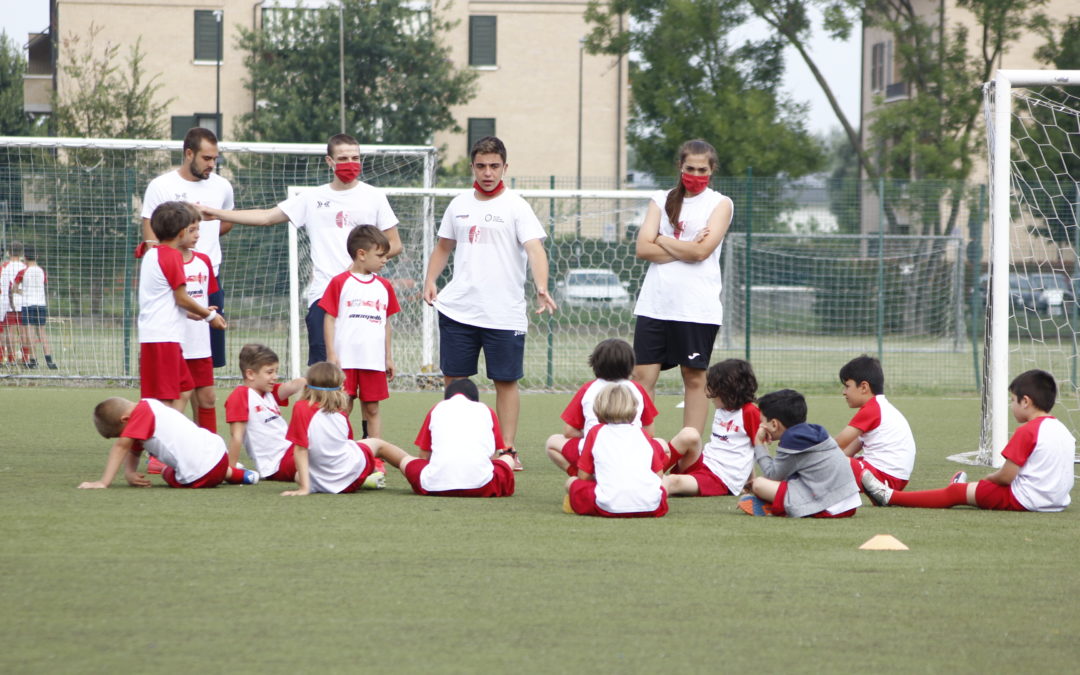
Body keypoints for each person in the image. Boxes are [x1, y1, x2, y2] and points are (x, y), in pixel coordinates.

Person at [197, 133, 402, 366]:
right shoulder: (312, 198)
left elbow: (394, 244)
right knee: (325, 370)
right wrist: (216, 213)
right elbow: (266, 217)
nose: (350, 164)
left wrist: (360, 266)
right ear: (330, 161)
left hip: (362, 297)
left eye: (355, 158)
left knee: (364, 370)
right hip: (324, 295)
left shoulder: (373, 197)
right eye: (343, 158)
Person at [422, 136, 557, 469]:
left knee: (506, 381)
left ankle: (507, 450)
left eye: (494, 166)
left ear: (505, 168)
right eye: (481, 166)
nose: (487, 172)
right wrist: (430, 280)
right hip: (458, 310)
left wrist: (541, 286)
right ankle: (449, 443)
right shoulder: (458, 204)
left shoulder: (517, 206)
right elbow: (443, 246)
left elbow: (535, 249)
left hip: (503, 314)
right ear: (472, 167)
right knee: (455, 379)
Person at [862, 369, 1075, 512]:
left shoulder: (1028, 431)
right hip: (1056, 502)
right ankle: (964, 486)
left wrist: (990, 478)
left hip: (1024, 499)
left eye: (1012, 401)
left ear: (1026, 401)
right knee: (969, 490)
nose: (1011, 406)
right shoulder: (1063, 430)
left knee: (954, 494)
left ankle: (889, 496)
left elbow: (1007, 476)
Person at [632, 139, 733, 436]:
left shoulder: (720, 204)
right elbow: (642, 248)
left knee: (694, 379)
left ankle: (690, 452)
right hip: (655, 305)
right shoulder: (659, 200)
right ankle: (641, 449)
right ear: (680, 167)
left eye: (703, 169)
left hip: (697, 309)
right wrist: (686, 245)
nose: (696, 174)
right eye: (690, 168)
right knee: (642, 377)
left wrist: (661, 238)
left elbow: (701, 254)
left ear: (712, 170)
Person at [141, 127, 234, 368]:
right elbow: (150, 230)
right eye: (206, 158)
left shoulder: (222, 186)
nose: (212, 164)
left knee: (208, 361)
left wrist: (201, 246)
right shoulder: (161, 185)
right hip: (172, 282)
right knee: (175, 356)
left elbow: (227, 221)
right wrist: (167, 261)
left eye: (215, 158)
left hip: (209, 277)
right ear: (189, 154)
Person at [139, 202, 227, 410]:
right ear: (181, 232)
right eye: (192, 229)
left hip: (157, 335)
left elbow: (165, 300)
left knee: (184, 388)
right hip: (163, 338)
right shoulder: (171, 257)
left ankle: (170, 436)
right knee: (168, 398)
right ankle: (137, 441)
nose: (196, 234)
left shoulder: (154, 254)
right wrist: (209, 316)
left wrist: (192, 315)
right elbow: (181, 298)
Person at [318, 225, 399, 440]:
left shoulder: (384, 286)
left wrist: (388, 357)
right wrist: (332, 354)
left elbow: (386, 323)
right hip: (346, 359)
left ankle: (372, 456)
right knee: (343, 406)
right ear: (361, 254)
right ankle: (338, 449)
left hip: (373, 360)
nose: (385, 260)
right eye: (380, 255)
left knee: (372, 408)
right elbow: (329, 318)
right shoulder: (340, 282)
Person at [77, 396, 258, 489]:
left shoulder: (139, 417)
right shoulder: (151, 404)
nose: (125, 439)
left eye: (121, 434)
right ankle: (240, 475)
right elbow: (134, 449)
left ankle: (230, 474)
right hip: (219, 455)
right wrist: (129, 472)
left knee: (165, 471)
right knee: (206, 464)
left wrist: (103, 482)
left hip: (200, 475)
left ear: (125, 420)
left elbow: (122, 447)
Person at [378, 379, 517, 497]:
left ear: (447, 398)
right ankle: (510, 456)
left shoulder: (437, 408)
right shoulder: (486, 410)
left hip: (433, 486)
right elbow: (491, 456)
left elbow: (423, 456)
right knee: (507, 457)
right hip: (483, 486)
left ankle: (377, 453)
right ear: (475, 399)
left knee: (407, 460)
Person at [282, 361, 398, 496]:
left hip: (322, 483)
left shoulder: (301, 407)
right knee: (378, 444)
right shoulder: (341, 415)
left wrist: (304, 488)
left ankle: (365, 477)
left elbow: (300, 450)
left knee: (298, 475)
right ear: (340, 389)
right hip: (352, 478)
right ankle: (409, 465)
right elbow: (346, 445)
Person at [739, 389, 860, 518]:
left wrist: (758, 442)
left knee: (759, 484)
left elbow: (772, 475)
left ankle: (777, 506)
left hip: (830, 506)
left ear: (774, 424)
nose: (761, 426)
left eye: (762, 421)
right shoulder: (811, 431)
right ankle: (776, 503)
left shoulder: (792, 439)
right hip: (849, 502)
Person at [545, 338, 658, 476]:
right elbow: (650, 432)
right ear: (630, 365)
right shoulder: (637, 389)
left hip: (594, 454)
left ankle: (584, 476)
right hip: (632, 453)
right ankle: (643, 476)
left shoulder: (588, 389)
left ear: (595, 363)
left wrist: (588, 432)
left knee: (552, 443)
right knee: (662, 446)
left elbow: (568, 432)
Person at [564, 383, 669, 518]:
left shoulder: (596, 432)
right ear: (634, 408)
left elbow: (583, 476)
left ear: (598, 407)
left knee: (571, 482)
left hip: (608, 506)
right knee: (666, 481)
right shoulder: (641, 432)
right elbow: (658, 475)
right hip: (653, 506)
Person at [664, 358, 760, 497]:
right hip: (705, 463)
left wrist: (752, 479)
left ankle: (645, 487)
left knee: (673, 481)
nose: (711, 396)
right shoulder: (722, 409)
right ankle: (650, 473)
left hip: (721, 479)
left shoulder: (750, 412)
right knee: (689, 434)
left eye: (715, 390)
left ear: (728, 390)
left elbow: (757, 446)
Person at [224, 343, 307, 482]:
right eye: (269, 372)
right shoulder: (241, 395)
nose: (275, 376)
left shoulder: (269, 392)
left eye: (276, 371)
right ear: (250, 374)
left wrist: (320, 379)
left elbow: (293, 386)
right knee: (325, 455)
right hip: (278, 463)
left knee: (332, 447)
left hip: (292, 450)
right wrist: (230, 470)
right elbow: (236, 436)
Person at [834, 355, 916, 491]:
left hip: (885, 478)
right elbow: (846, 451)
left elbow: (838, 444)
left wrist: (810, 458)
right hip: (893, 478)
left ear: (864, 387)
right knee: (835, 461)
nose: (844, 392)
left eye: (847, 386)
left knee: (829, 462)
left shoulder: (872, 410)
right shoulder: (879, 406)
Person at [176, 220, 220, 432]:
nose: (197, 235)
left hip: (200, 343)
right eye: (191, 230)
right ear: (176, 232)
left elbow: (203, 297)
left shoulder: (203, 260)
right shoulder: (164, 261)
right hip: (175, 342)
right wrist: (189, 313)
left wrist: (206, 311)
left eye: (198, 229)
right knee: (176, 402)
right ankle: (161, 453)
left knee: (208, 398)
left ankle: (211, 451)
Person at [13, 245, 56, 369]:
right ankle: (49, 361)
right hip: (41, 304)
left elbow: (14, 288)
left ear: (25, 257)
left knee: (30, 333)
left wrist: (22, 292)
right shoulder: (41, 271)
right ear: (37, 256)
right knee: (42, 333)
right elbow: (43, 284)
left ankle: (33, 360)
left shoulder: (23, 272)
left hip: (28, 305)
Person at [0, 241, 27, 366]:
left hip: (9, 304)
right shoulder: (25, 267)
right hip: (24, 302)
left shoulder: (5, 266)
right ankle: (26, 357)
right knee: (24, 332)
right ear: (21, 253)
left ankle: (11, 358)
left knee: (9, 332)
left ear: (8, 252)